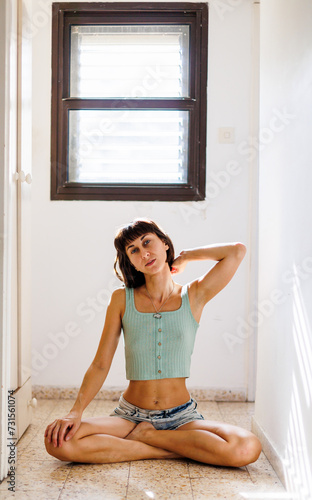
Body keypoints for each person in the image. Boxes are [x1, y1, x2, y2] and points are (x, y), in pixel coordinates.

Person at [44, 218, 262, 466]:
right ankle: (166, 448)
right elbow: (100, 364)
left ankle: (149, 438)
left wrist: (187, 256)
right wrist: (76, 411)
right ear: (130, 262)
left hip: (182, 417)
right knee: (58, 441)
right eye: (133, 250)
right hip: (130, 417)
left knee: (247, 448)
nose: (144, 253)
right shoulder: (121, 300)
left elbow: (236, 251)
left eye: (148, 242)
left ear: (164, 244)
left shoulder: (194, 295)